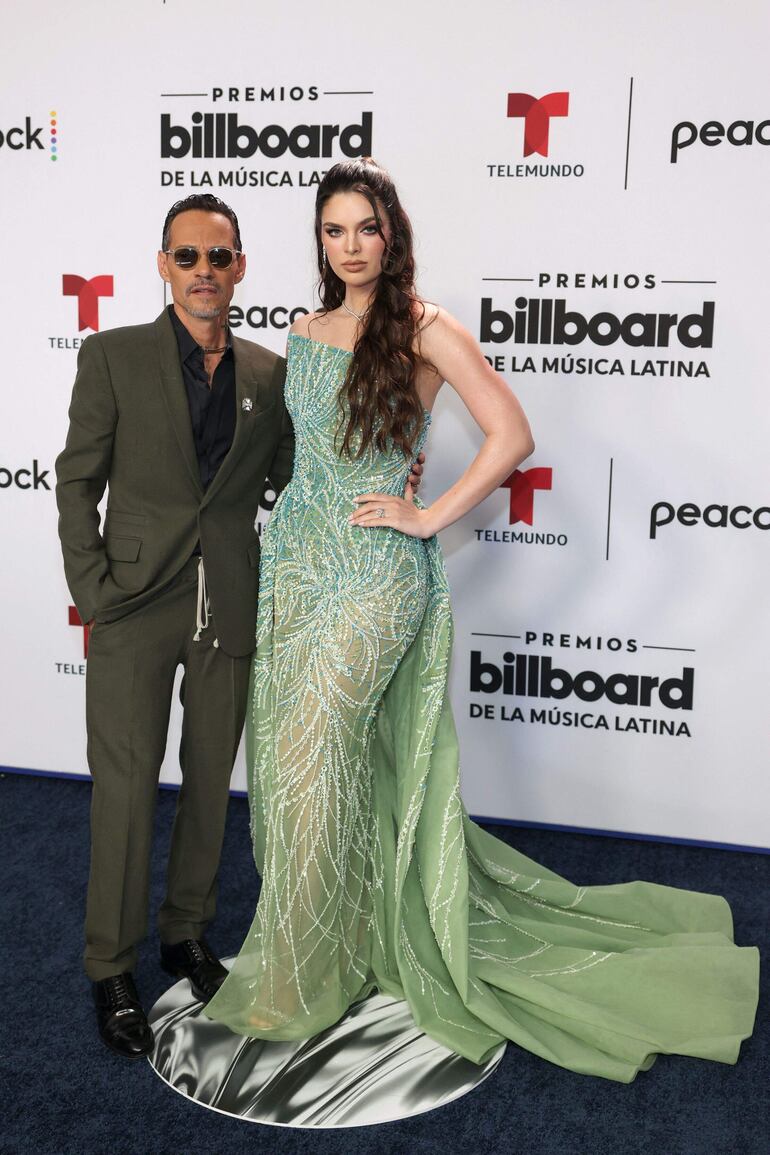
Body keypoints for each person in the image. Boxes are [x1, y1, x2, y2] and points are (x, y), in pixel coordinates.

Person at [205, 160, 759, 1082]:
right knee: (289, 759)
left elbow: (512, 431)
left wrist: (425, 512)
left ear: (393, 233)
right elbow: (303, 456)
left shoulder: (425, 327)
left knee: (317, 746)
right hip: (296, 565)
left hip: (377, 570)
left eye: (366, 228)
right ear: (320, 240)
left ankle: (309, 969)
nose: (350, 246)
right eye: (334, 230)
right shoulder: (303, 331)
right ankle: (334, 934)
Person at [56, 194, 297, 1060]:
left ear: (241, 267)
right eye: (187, 256)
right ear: (163, 265)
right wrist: (97, 588)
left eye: (219, 257)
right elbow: (77, 479)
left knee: (207, 783)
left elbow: (283, 481)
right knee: (124, 789)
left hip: (229, 601)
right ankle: (111, 964)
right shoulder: (112, 355)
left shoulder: (271, 374)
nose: (204, 272)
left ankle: (185, 932)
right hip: (133, 604)